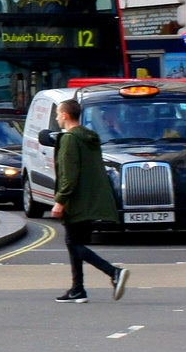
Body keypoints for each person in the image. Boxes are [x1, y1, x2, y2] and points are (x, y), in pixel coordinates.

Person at [49, 96, 130, 304]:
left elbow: (69, 174)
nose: (57, 118)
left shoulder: (69, 139)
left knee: (73, 244)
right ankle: (78, 289)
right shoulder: (89, 136)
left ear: (65, 115)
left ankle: (113, 272)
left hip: (76, 201)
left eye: (58, 114)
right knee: (74, 242)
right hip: (90, 199)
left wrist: (60, 200)